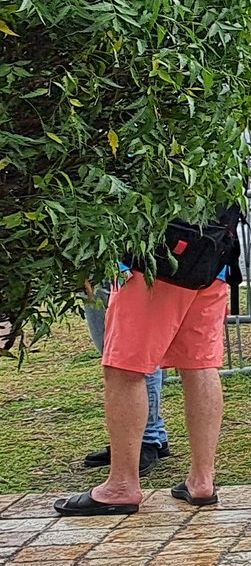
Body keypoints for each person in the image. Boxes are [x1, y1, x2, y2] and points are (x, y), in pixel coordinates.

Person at [54, 212, 239, 517]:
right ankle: (202, 480)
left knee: (124, 368)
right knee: (200, 366)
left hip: (154, 263)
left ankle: (122, 485)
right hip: (212, 260)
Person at [75, 278, 169, 475]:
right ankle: (144, 438)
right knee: (115, 355)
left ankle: (147, 440)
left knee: (135, 358)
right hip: (97, 274)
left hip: (125, 273)